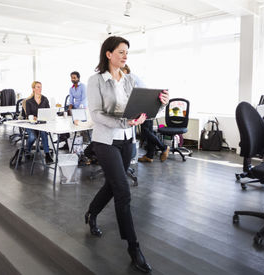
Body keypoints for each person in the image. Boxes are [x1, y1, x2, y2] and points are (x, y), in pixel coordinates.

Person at [86, 36, 169, 273]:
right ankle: (134, 248)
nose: (125, 56)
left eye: (127, 53)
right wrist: (125, 123)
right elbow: (97, 115)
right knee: (123, 191)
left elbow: (147, 110)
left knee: (113, 186)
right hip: (105, 141)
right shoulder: (96, 81)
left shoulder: (132, 79)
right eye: (121, 52)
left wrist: (161, 103)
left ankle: (91, 213)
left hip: (127, 142)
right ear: (108, 54)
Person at [121, 65, 170, 163]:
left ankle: (163, 147)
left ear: (125, 70)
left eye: (121, 71)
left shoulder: (129, 78)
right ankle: (149, 156)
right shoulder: (132, 77)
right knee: (148, 131)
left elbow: (133, 96)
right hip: (149, 104)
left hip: (145, 106)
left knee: (146, 132)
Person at [25, 81, 53, 164]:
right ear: (33, 89)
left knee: (44, 133)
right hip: (31, 124)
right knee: (32, 137)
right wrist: (33, 117)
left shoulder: (45, 99)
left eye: (40, 87)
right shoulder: (28, 101)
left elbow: (48, 111)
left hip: (41, 123)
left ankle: (47, 154)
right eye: (37, 87)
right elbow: (28, 115)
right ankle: (28, 150)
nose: (40, 89)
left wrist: (47, 116)